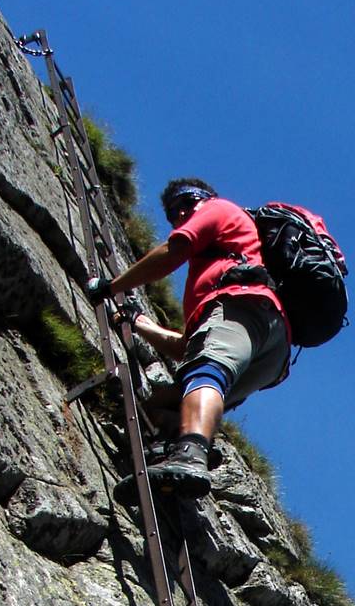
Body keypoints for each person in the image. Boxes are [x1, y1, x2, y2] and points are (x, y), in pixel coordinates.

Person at [86, 179, 290, 498]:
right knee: (155, 407)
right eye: (171, 213)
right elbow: (186, 348)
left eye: (186, 202)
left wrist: (112, 287)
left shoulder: (218, 210)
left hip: (244, 308)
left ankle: (191, 455)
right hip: (267, 345)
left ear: (204, 199)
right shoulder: (216, 269)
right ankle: (182, 447)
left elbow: (173, 251)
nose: (180, 213)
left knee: (205, 374)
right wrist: (138, 322)